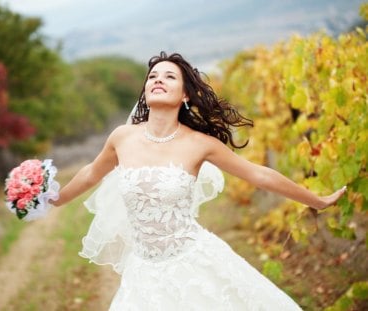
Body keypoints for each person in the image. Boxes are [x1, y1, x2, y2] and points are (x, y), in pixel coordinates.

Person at [52, 51, 346, 310]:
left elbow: (259, 174)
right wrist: (55, 198)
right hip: (142, 272)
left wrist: (317, 201)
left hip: (194, 262)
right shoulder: (122, 137)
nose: (158, 80)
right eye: (153, 76)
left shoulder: (200, 144)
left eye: (169, 76)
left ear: (185, 95)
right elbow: (91, 172)